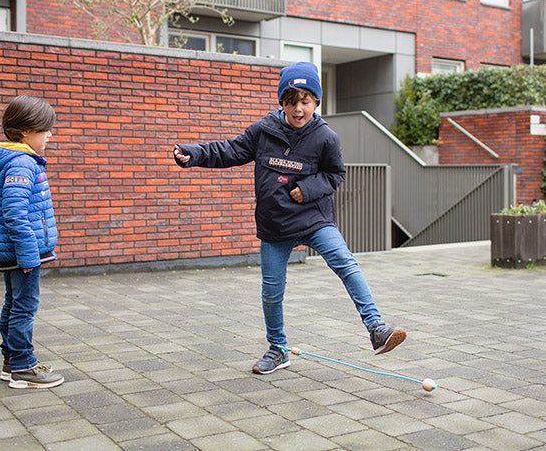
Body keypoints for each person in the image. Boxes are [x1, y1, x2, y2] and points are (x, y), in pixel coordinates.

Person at [173, 62, 406, 374]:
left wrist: (307, 189)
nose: (299, 109)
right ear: (282, 102)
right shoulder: (263, 131)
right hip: (275, 224)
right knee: (271, 290)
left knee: (345, 262)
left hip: (313, 219)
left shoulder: (325, 137)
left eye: (306, 101)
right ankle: (277, 349)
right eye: (292, 101)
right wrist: (194, 154)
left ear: (316, 102)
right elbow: (228, 151)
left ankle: (376, 328)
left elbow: (336, 174)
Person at [0, 95, 64, 389]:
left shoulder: (19, 160)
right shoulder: (22, 163)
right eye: (45, 130)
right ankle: (22, 366)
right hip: (23, 253)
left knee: (14, 304)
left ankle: (11, 362)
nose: (50, 135)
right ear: (24, 132)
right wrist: (30, 257)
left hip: (15, 252)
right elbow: (15, 214)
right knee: (25, 306)